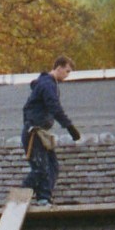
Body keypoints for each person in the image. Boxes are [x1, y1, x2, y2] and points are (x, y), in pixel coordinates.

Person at [22, 55, 81, 204]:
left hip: (41, 132)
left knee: (53, 166)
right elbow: (54, 107)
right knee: (40, 168)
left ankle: (44, 198)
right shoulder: (47, 84)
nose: (67, 75)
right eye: (67, 71)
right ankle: (21, 195)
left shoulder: (47, 84)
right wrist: (69, 127)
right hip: (34, 132)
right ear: (59, 67)